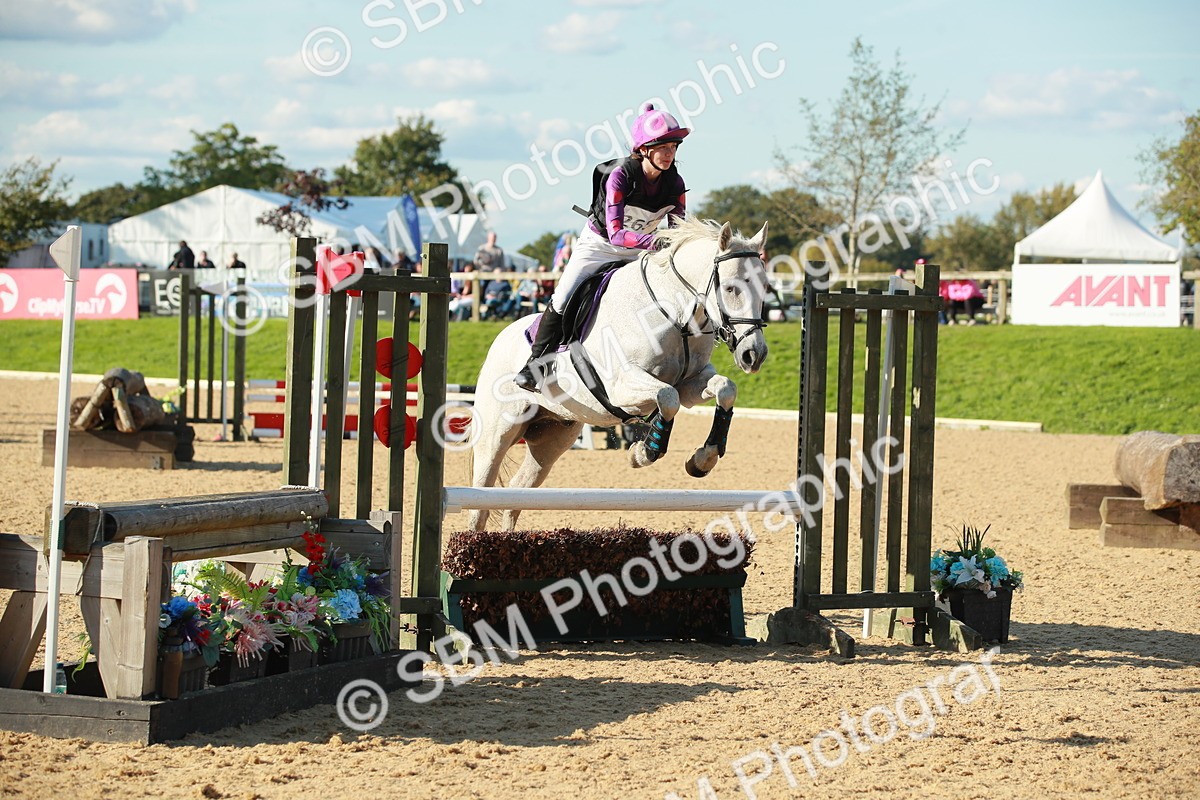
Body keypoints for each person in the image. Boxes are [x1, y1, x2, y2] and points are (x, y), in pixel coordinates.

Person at [514, 102, 689, 390]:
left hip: (641, 252)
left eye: (673, 147)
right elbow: (617, 234)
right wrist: (656, 242)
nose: (670, 154)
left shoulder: (676, 184)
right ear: (644, 149)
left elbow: (677, 231)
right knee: (564, 295)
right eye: (663, 147)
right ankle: (536, 364)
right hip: (600, 245)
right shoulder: (621, 175)